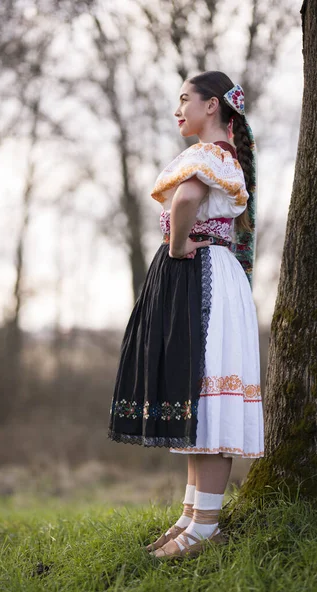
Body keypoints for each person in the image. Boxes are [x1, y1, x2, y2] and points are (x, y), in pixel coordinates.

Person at [108, 70, 264, 559]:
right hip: (207, 276)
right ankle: (193, 517)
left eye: (184, 100)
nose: (178, 110)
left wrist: (177, 248)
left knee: (210, 399)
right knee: (201, 399)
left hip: (206, 277)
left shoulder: (210, 157)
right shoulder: (219, 157)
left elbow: (186, 201)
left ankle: (205, 527)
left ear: (212, 105)